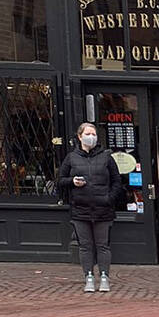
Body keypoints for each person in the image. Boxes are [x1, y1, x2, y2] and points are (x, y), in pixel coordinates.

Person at [57, 123, 121, 293]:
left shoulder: (106, 157)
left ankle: (105, 276)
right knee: (85, 246)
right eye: (88, 133)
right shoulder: (71, 158)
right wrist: (72, 182)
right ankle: (89, 277)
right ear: (80, 136)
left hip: (103, 209)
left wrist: (109, 199)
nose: (91, 136)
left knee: (102, 245)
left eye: (93, 133)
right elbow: (61, 180)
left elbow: (117, 181)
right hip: (80, 209)